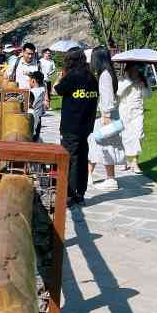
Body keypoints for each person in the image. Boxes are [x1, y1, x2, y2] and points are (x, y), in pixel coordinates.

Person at [54, 47, 99, 206]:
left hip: (71, 125)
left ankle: (69, 194)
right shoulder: (91, 78)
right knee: (81, 157)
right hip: (86, 125)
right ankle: (80, 192)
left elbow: (57, 90)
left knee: (70, 159)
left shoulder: (72, 76)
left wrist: (61, 78)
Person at [87, 46, 125, 191]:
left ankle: (111, 179)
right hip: (106, 115)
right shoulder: (108, 73)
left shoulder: (105, 76)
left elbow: (107, 97)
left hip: (105, 116)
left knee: (106, 146)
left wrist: (106, 116)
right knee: (96, 145)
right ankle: (89, 174)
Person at [118, 65, 151, 173]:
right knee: (126, 136)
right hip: (124, 111)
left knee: (138, 135)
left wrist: (143, 87)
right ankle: (126, 160)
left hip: (138, 112)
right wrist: (129, 82)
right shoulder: (122, 80)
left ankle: (135, 162)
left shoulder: (143, 80)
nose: (136, 71)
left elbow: (148, 95)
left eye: (137, 69)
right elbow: (118, 93)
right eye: (134, 69)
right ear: (128, 70)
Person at [28, 70, 46, 141]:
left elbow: (28, 104)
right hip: (39, 118)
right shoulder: (43, 90)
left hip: (32, 118)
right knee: (36, 137)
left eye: (29, 80)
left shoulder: (32, 92)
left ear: (33, 81)